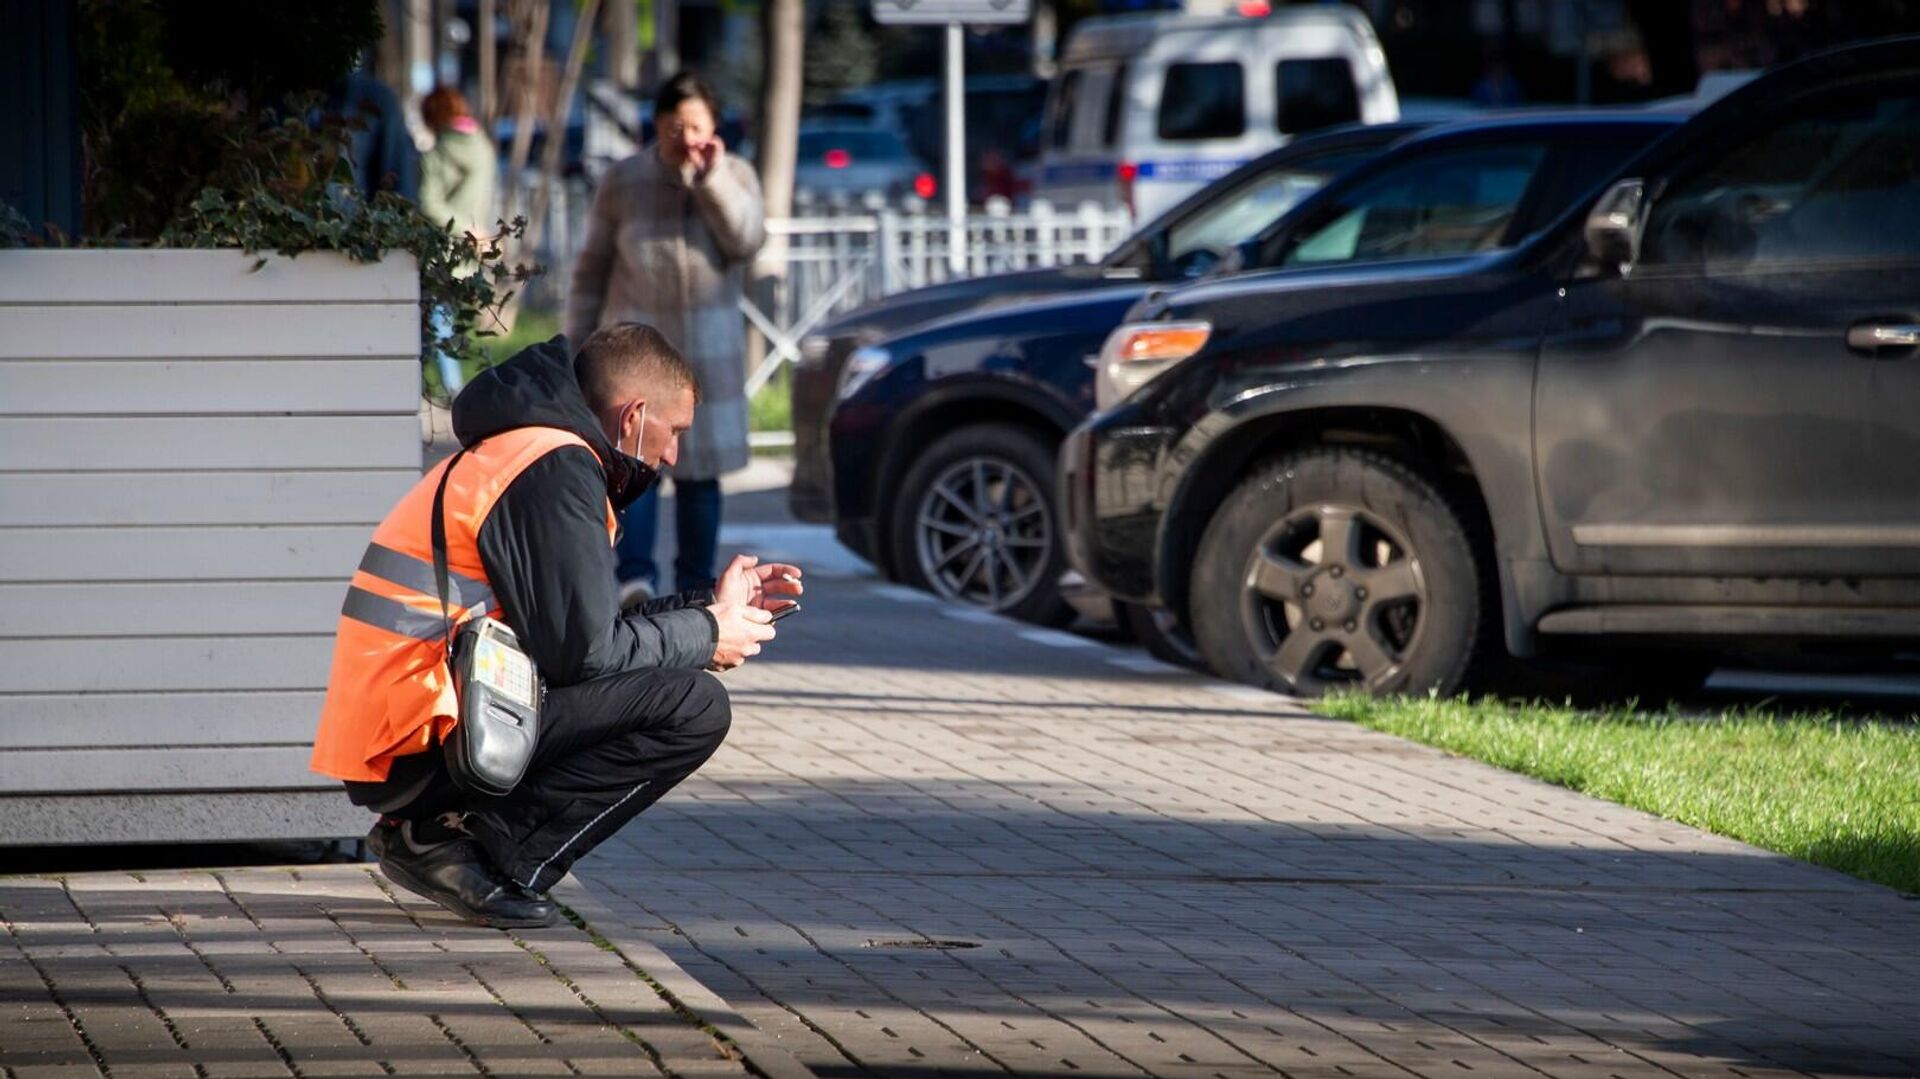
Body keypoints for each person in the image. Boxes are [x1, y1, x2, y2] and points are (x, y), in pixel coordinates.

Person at [310, 324, 802, 928]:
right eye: (674, 432)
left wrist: (708, 612)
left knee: (674, 687)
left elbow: (577, 631)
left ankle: (442, 836)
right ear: (635, 414)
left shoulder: (532, 452)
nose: (674, 456)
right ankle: (463, 849)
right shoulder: (555, 467)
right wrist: (705, 635)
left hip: (411, 730)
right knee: (692, 706)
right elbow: (588, 655)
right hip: (421, 738)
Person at [566, 72, 767, 606]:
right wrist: (575, 347)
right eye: (676, 125)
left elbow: (747, 240)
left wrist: (713, 180)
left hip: (710, 356)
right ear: (657, 124)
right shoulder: (624, 181)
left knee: (701, 478)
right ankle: (636, 581)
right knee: (636, 464)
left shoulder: (737, 174)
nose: (686, 136)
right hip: (639, 356)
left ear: (715, 127)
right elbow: (592, 269)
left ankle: (697, 592)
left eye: (697, 125)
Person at [418, 85, 500, 396]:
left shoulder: (437, 155)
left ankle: (452, 389)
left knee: (435, 319)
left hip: (444, 248)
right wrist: (478, 233)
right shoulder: (484, 148)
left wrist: (465, 229)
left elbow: (429, 204)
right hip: (473, 248)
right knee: (444, 318)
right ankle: (448, 386)